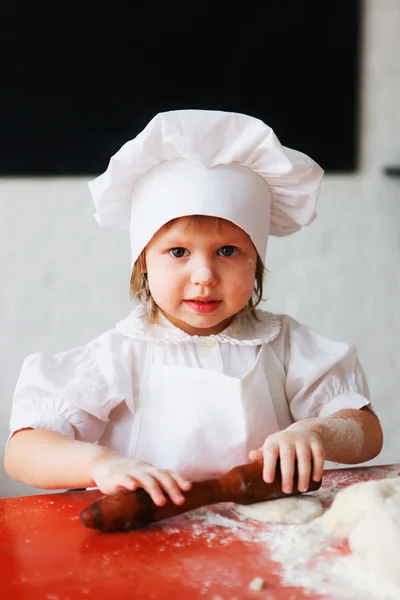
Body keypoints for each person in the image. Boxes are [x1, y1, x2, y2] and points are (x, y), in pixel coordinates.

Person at [4, 110, 383, 507]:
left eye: (228, 251)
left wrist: (315, 432)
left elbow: (366, 432)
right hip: (152, 545)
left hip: (268, 539)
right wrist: (100, 464)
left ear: (257, 259)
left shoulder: (287, 347)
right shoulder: (117, 357)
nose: (204, 275)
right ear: (143, 262)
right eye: (178, 252)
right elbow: (24, 450)